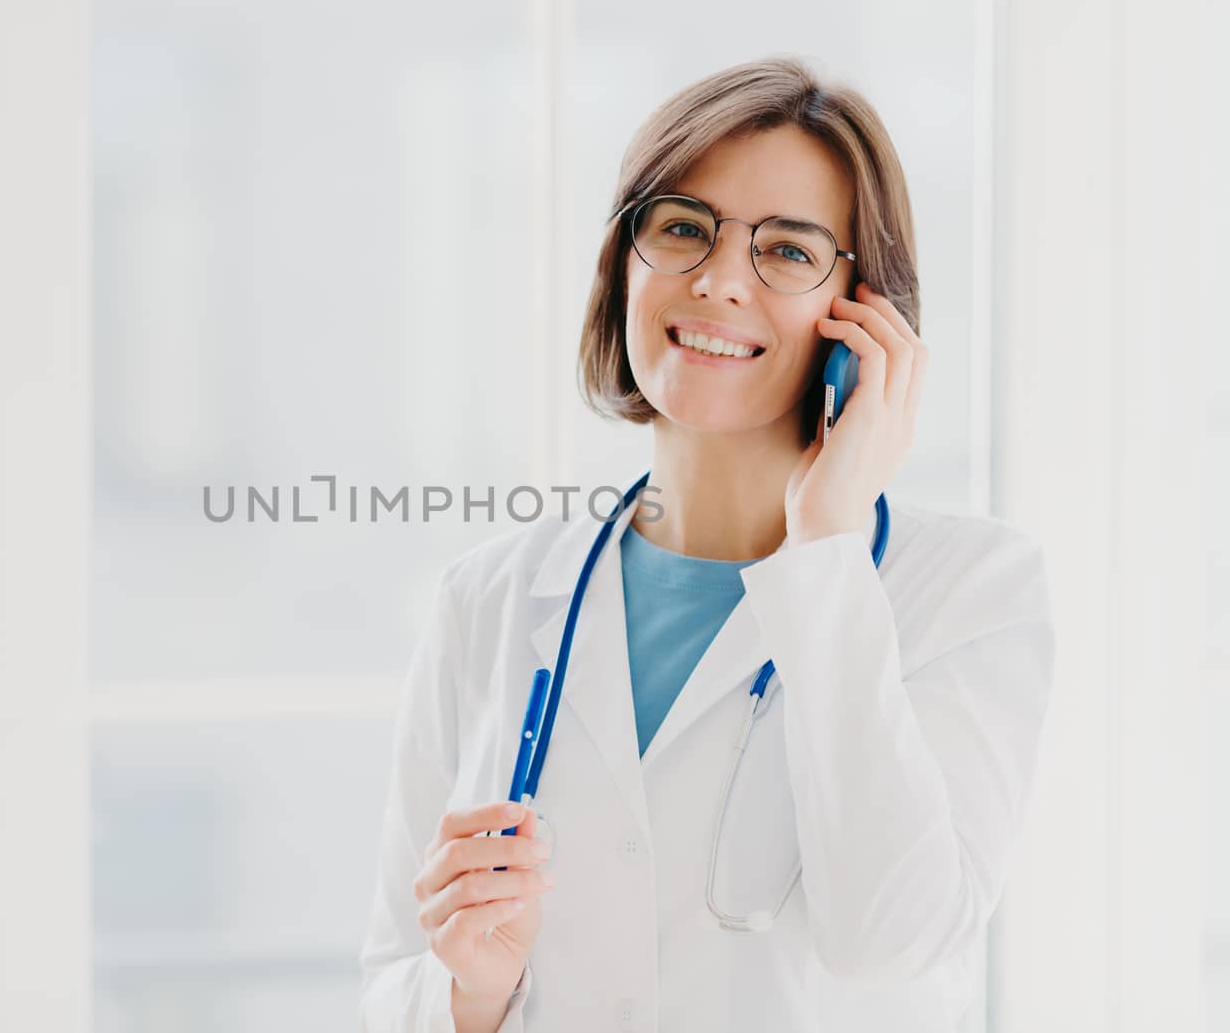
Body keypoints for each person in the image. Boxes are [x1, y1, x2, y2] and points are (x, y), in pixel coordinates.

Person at [357, 56, 1055, 1033]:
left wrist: (825, 547)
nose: (720, 280)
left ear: (862, 318)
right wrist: (471, 989)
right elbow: (393, 968)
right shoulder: (491, 595)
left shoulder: (968, 588)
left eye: (787, 250)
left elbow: (888, 938)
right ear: (623, 265)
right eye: (683, 228)